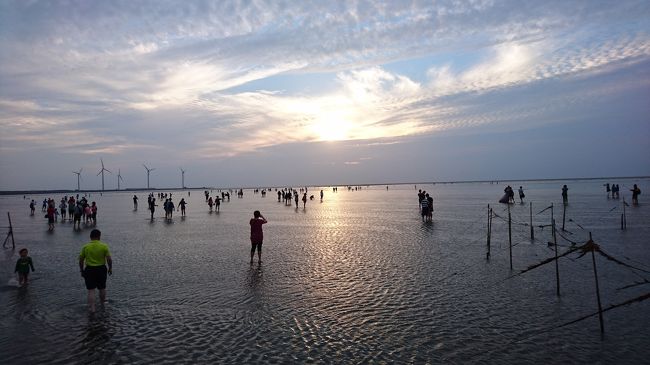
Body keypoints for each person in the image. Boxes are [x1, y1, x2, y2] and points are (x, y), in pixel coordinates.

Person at [78, 229, 112, 313]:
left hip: (89, 269)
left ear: (90, 237)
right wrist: (110, 268)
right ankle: (102, 304)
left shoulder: (85, 247)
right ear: (99, 236)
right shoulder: (104, 246)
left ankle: (92, 308)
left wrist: (82, 270)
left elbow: (81, 260)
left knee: (91, 290)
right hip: (101, 269)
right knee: (102, 288)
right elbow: (109, 259)